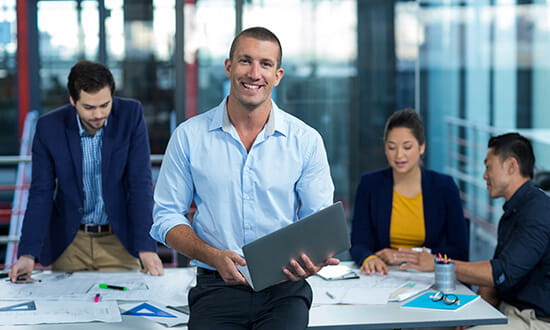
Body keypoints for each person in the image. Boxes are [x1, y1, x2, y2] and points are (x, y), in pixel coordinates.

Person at [150, 26, 338, 329]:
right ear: (228, 67)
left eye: (265, 64)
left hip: (284, 290)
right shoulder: (189, 136)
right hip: (216, 288)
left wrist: (313, 259)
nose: (254, 73)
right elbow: (166, 216)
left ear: (278, 75)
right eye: (245, 61)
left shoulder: (305, 140)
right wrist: (212, 255)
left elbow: (317, 221)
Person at [9, 60, 164, 282]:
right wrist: (27, 253)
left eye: (105, 105)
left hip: (117, 241)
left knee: (124, 311)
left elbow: (139, 184)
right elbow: (41, 192)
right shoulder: (49, 127)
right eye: (89, 107)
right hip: (71, 242)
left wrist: (146, 247)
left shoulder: (130, 115)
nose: (98, 114)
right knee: (69, 311)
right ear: (73, 101)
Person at [403, 133, 550, 329]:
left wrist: (439, 264)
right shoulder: (514, 210)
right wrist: (480, 303)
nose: (484, 175)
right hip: (508, 309)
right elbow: (502, 275)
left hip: (532, 320)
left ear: (511, 166)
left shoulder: (538, 211)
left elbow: (502, 273)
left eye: (488, 167)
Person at [349, 109, 469, 275]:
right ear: (385, 149)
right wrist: (369, 258)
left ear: (421, 147)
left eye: (407, 147)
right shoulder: (370, 185)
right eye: (392, 147)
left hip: (430, 276)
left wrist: (414, 255)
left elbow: (459, 250)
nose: (399, 155)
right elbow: (358, 244)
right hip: (383, 275)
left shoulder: (444, 187)